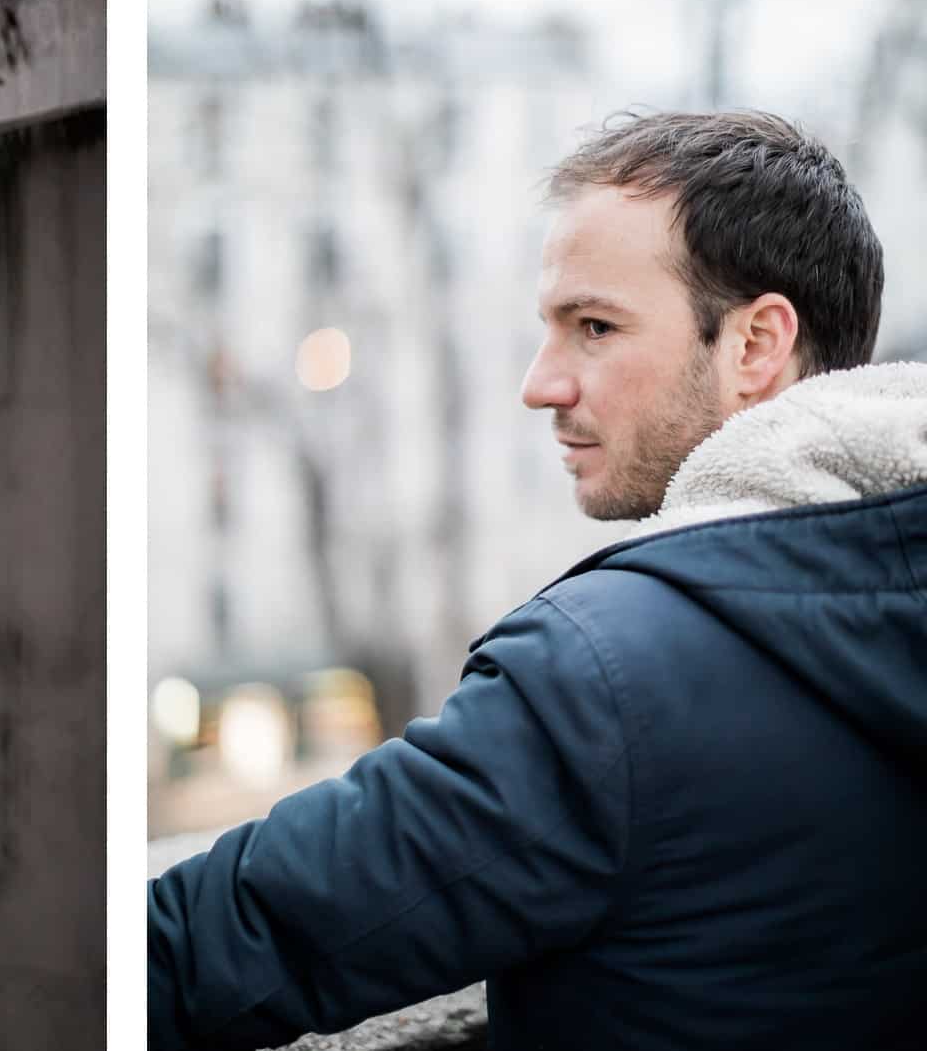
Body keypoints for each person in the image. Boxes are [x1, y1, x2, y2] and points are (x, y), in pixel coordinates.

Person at [147, 110, 927, 1051]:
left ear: (756, 345)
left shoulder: (600, 683)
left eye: (594, 326)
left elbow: (212, 941)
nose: (540, 382)